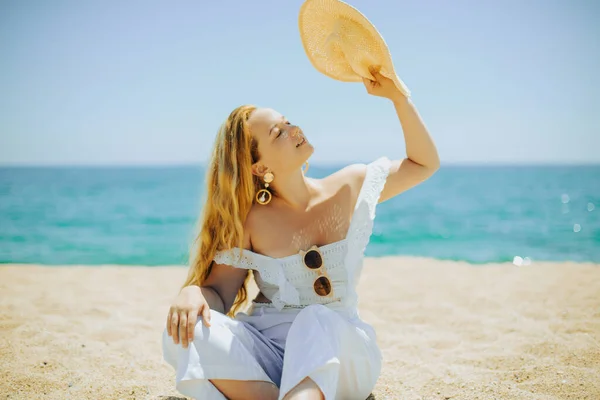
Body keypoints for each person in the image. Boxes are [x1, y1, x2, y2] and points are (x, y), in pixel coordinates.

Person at [161, 66, 440, 400]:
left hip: (341, 352)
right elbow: (218, 294)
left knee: (315, 319)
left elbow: (424, 164)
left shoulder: (349, 185)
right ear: (259, 168)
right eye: (278, 133)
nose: (294, 130)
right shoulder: (250, 221)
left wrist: (398, 98)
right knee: (185, 331)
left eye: (288, 122)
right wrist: (193, 293)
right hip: (270, 360)